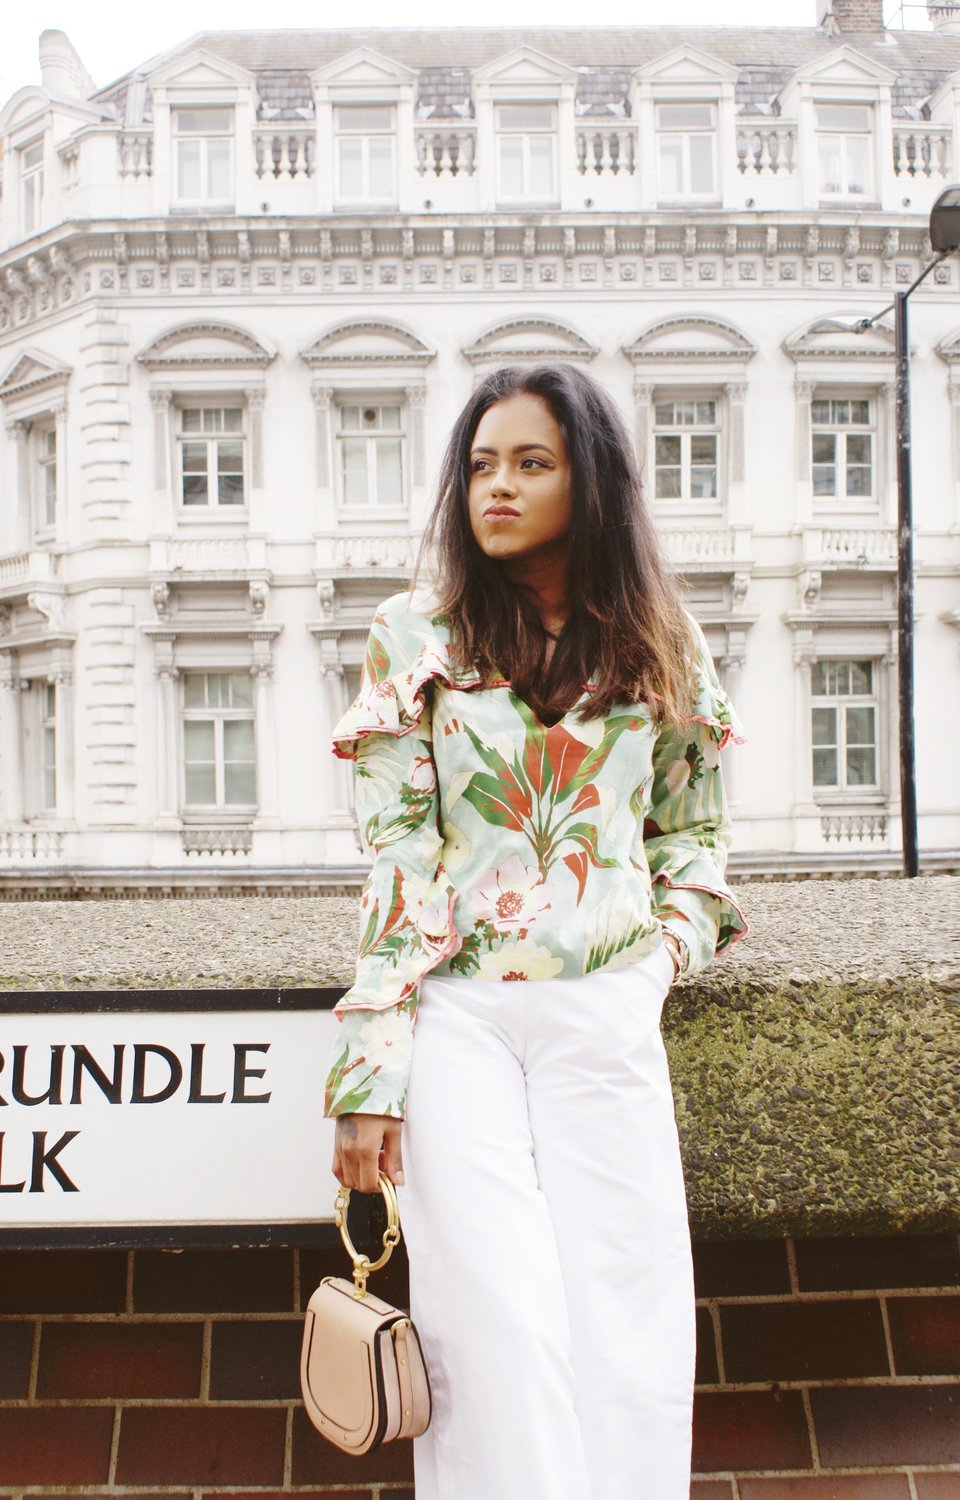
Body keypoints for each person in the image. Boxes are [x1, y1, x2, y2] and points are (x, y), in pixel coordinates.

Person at [324, 362, 747, 1500]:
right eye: (478, 465)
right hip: (457, 1012)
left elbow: (697, 842)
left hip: (604, 1011)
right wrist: (370, 1073)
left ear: (591, 480)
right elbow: (400, 858)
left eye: (529, 462)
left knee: (629, 1323)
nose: (494, 487)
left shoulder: (658, 640)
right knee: (491, 1327)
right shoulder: (413, 636)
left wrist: (656, 965)